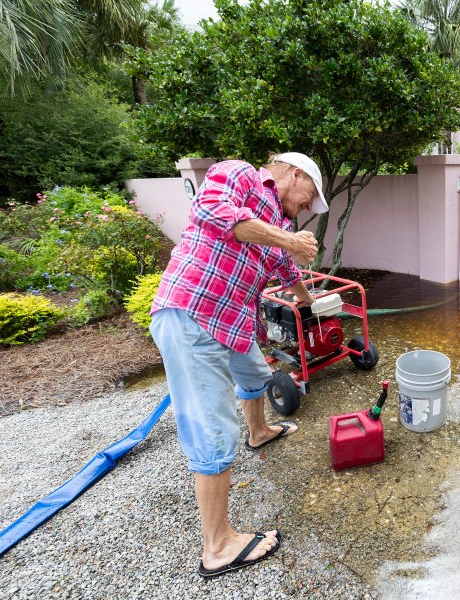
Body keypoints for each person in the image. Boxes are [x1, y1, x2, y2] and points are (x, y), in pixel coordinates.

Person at [148, 152, 328, 577]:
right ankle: (218, 546)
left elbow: (285, 268)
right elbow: (213, 212)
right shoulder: (240, 174)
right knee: (212, 428)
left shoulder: (278, 228)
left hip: (231, 322)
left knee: (257, 374)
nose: (307, 209)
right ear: (295, 174)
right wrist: (289, 241)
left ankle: (259, 431)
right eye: (309, 200)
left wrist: (310, 302)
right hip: (192, 314)